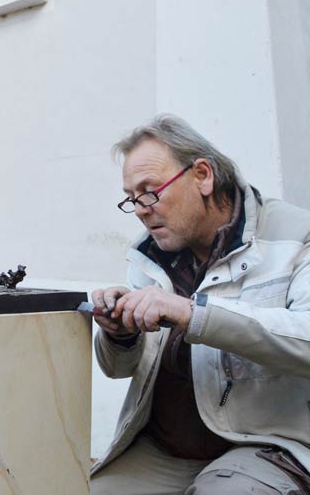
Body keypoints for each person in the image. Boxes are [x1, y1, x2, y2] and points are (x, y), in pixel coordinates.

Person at [90, 114, 310, 495]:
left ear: (203, 176)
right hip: (165, 450)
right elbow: (118, 370)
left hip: (265, 445)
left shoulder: (295, 237)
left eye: (150, 190)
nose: (141, 208)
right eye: (132, 198)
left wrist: (194, 313)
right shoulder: (148, 254)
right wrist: (119, 335)